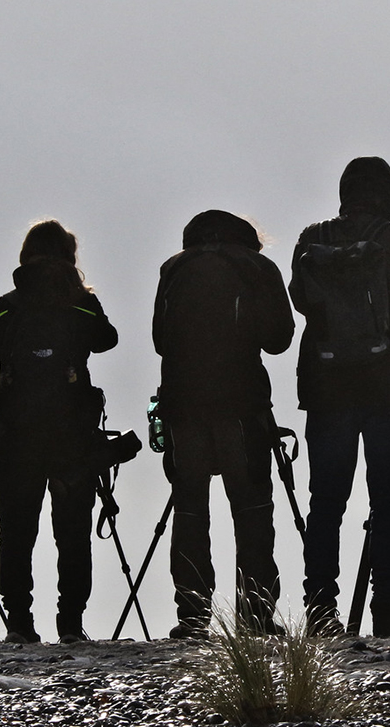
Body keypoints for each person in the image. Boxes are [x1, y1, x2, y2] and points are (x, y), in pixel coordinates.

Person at [290, 156, 390, 637]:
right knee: (389, 497)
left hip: (326, 385)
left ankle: (320, 612)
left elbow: (300, 301)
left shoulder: (312, 239)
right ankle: (388, 608)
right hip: (387, 386)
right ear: (389, 194)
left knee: (326, 500)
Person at [152, 210, 294, 639]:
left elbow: (161, 339)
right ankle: (257, 613)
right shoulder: (258, 267)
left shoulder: (174, 267)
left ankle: (192, 615)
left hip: (184, 404)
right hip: (242, 403)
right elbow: (280, 338)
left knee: (191, 508)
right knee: (251, 508)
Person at [0, 220, 118, 644]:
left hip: (16, 432)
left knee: (17, 529)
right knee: (73, 531)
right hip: (71, 433)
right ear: (69, 257)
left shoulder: (8, 303)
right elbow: (107, 340)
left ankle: (19, 622)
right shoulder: (80, 303)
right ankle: (71, 623)